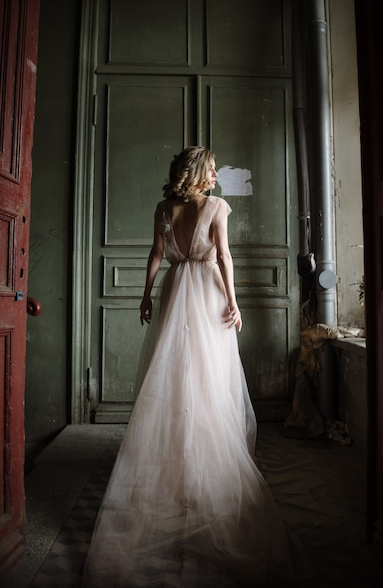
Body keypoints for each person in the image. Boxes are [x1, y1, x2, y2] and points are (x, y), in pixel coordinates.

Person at [82, 146, 291, 587]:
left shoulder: (164, 207)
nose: (216, 174)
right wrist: (234, 304)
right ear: (197, 173)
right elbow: (223, 258)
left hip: (175, 293)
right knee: (209, 380)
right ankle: (199, 473)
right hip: (208, 294)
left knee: (175, 375)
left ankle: (182, 468)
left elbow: (156, 256)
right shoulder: (215, 207)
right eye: (212, 168)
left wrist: (145, 294)